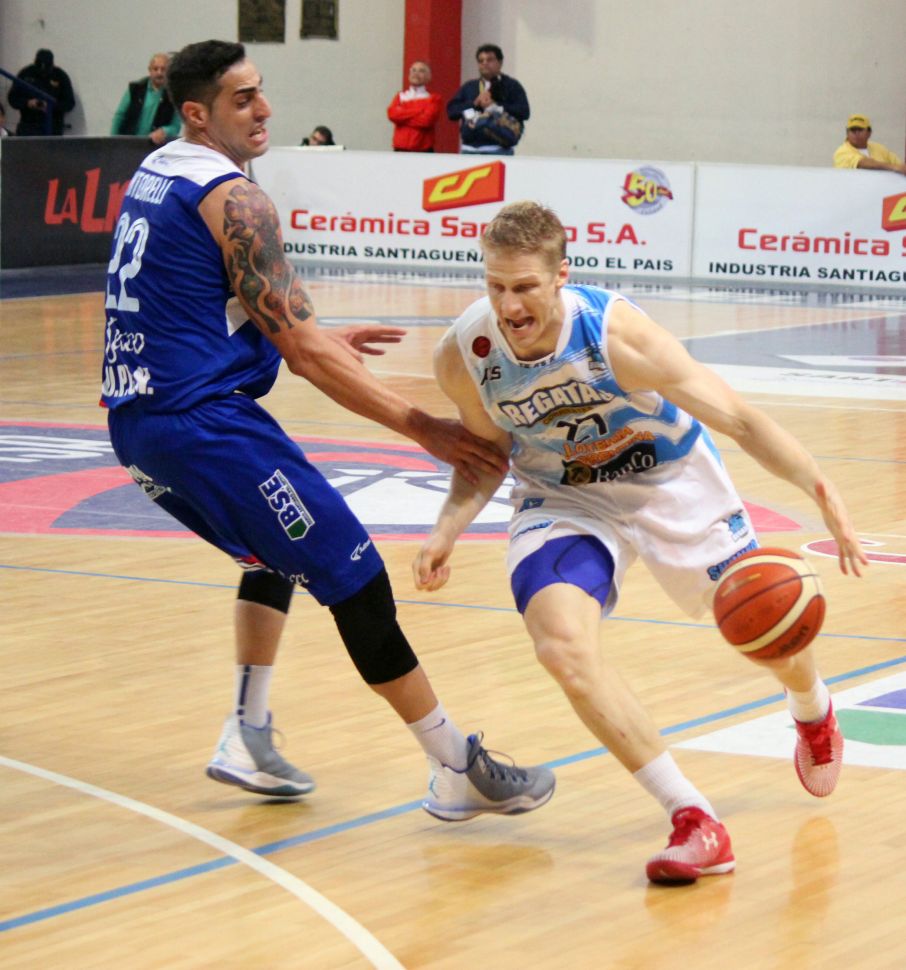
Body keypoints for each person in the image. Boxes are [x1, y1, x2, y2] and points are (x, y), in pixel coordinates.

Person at [99, 40, 555, 822]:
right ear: (198, 113)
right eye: (243, 99)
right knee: (358, 579)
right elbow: (303, 355)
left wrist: (311, 335)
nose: (265, 109)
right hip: (202, 425)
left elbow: (191, 299)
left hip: (138, 424)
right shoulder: (236, 199)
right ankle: (455, 768)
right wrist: (426, 428)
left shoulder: (158, 170)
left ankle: (246, 732)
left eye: (261, 91)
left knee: (271, 557)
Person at [413, 200, 868, 883]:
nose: (508, 306)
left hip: (668, 478)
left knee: (767, 627)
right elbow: (487, 456)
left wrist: (821, 489)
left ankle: (812, 708)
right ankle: (693, 817)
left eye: (525, 287)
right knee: (561, 647)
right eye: (495, 286)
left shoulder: (617, 336)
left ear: (561, 276)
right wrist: (447, 527)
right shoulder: (465, 355)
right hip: (563, 495)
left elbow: (740, 418)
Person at [446, 44, 530, 156]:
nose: (484, 63)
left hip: (499, 149)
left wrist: (497, 107)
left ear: (500, 63)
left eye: (489, 60)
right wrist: (474, 104)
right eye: (481, 61)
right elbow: (452, 111)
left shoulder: (511, 85)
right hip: (469, 149)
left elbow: (524, 112)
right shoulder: (469, 86)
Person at [111, 52, 181, 146]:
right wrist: (112, 140)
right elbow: (120, 115)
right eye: (155, 69)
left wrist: (164, 131)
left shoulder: (173, 94)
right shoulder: (135, 89)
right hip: (128, 144)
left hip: (155, 147)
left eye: (163, 69)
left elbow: (176, 126)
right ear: (150, 70)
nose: (159, 73)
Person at [7, 48, 76, 136]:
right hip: (28, 125)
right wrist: (27, 103)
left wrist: (50, 106)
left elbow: (69, 103)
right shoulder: (25, 74)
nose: (42, 71)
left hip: (53, 127)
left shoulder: (60, 76)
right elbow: (13, 98)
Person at [387, 60, 442, 152]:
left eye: (421, 71)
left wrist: (403, 115)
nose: (416, 73)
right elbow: (392, 115)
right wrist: (419, 111)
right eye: (413, 70)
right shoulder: (400, 96)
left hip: (423, 150)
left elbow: (426, 121)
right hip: (400, 149)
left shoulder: (434, 98)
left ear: (428, 77)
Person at [833, 114, 906, 175]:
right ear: (847, 133)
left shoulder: (879, 148)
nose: (856, 133)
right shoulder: (841, 152)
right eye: (853, 130)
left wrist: (900, 167)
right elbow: (861, 163)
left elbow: (899, 165)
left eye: (860, 129)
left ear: (869, 133)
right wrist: (893, 167)